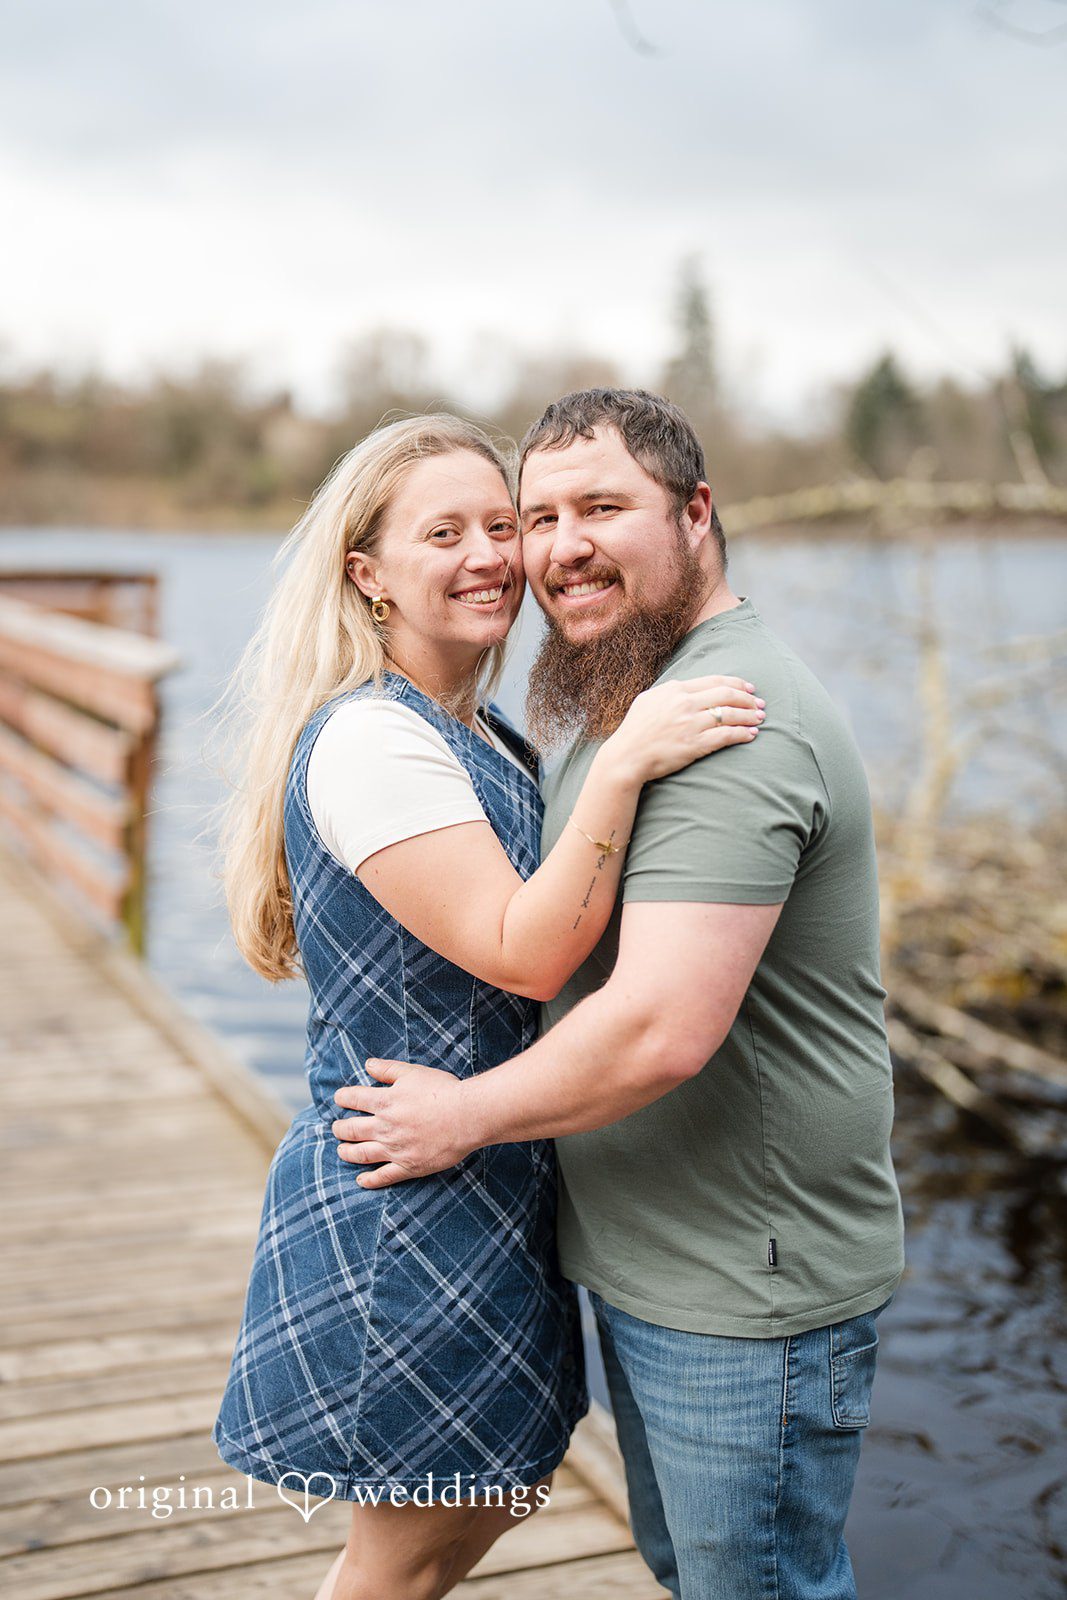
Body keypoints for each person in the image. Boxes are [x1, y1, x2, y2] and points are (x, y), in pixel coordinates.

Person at [331, 389, 907, 1600]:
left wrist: (464, 1115)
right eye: (536, 516)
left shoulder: (728, 723)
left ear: (696, 514)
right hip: (660, 1256)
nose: (555, 548)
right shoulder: (630, 692)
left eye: (601, 507)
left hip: (744, 1283)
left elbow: (655, 1026)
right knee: (695, 1573)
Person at [211, 412, 764, 1600]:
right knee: (399, 1563)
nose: (488, 555)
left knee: (480, 1504)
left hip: (480, 1183)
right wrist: (621, 761)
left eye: (501, 526)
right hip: (409, 1210)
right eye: (442, 532)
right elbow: (523, 954)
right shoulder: (371, 738)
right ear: (367, 574)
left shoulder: (470, 729)